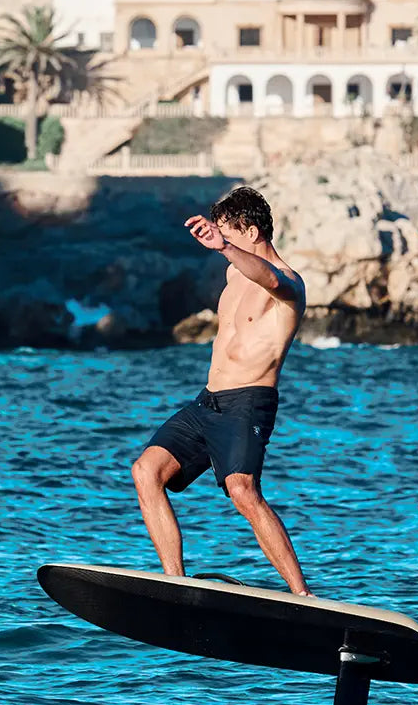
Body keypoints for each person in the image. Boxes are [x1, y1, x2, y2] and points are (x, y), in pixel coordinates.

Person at [130, 186, 312, 596]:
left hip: (247, 403)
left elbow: (267, 275)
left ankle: (302, 595)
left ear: (250, 232)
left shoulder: (288, 284)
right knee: (146, 471)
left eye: (230, 234)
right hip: (207, 401)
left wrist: (224, 247)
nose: (222, 242)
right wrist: (227, 251)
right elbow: (245, 270)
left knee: (242, 491)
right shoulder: (234, 272)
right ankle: (174, 581)